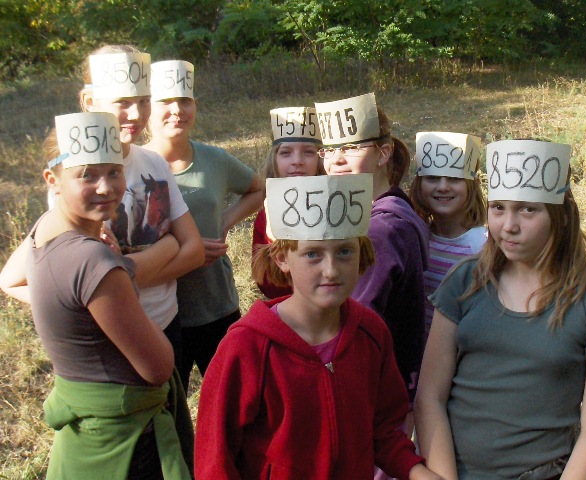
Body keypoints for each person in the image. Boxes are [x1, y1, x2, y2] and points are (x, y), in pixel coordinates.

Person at [414, 139, 586, 480]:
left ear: (561, 216)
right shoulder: (464, 282)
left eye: (528, 209)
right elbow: (429, 397)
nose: (509, 225)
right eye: (498, 208)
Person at [195, 174, 442, 480]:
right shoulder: (246, 349)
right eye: (312, 254)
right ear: (282, 258)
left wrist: (417, 472)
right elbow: (215, 462)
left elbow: (384, 432)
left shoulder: (371, 333)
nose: (331, 270)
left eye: (344, 251)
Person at [5, 112, 191, 479]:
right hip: (125, 441)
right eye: (87, 175)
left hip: (84, 431)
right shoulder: (95, 263)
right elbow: (158, 367)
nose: (105, 188)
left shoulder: (45, 230)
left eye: (114, 171)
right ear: (53, 180)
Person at [317, 93, 429, 450]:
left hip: (377, 391)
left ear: (383, 153)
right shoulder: (389, 207)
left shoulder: (380, 229)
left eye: (350, 147)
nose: (336, 159)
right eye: (328, 149)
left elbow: (353, 319)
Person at [143, 59, 262, 392]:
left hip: (216, 304)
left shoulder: (215, 159)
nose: (177, 110)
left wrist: (225, 221)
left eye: (185, 100)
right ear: (147, 108)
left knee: (232, 399)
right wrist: (187, 251)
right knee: (171, 405)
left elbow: (258, 189)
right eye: (165, 102)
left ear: (196, 105)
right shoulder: (135, 166)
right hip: (163, 313)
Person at [408, 132, 486, 343]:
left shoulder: (482, 246)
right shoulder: (414, 238)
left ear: (471, 185)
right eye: (433, 178)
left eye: (454, 178)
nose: (443, 186)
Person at [252, 106, 324, 299]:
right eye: (286, 153)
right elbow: (268, 284)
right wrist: (275, 242)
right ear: (274, 160)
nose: (297, 161)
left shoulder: (336, 205)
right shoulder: (265, 217)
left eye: (308, 152)